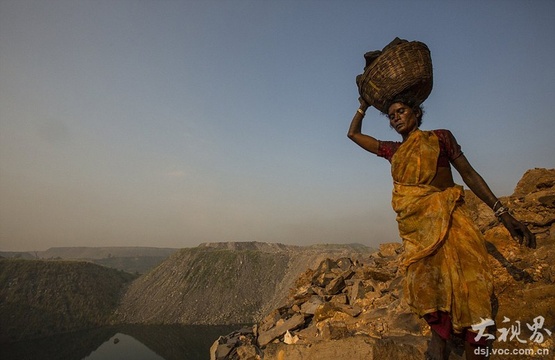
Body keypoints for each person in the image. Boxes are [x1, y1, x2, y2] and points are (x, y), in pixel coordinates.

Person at [347, 95, 536, 360]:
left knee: (473, 287)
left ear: (415, 112)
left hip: (455, 223)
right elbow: (353, 134)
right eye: (391, 115)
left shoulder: (440, 138)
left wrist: (503, 213)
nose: (396, 117)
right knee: (430, 290)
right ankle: (440, 343)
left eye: (401, 111)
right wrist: (363, 105)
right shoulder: (395, 151)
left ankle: (472, 346)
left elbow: (469, 174)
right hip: (420, 235)